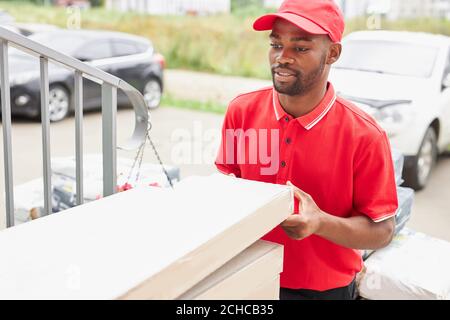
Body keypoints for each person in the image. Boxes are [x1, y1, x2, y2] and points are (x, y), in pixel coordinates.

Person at [215, 0, 398, 300]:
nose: (282, 58)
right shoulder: (241, 111)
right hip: (247, 277)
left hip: (323, 291)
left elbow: (382, 232)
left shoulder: (365, 135)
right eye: (276, 44)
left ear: (333, 53)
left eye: (300, 48)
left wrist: (320, 223)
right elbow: (226, 187)